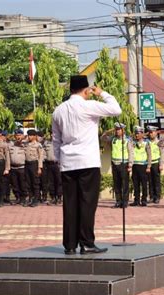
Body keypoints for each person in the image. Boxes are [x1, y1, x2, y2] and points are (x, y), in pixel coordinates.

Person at [52, 75, 121, 255]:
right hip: (87, 162)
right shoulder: (88, 106)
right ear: (85, 90)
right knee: (87, 203)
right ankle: (87, 243)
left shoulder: (58, 110)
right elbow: (116, 109)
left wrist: (61, 160)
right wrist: (102, 93)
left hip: (68, 162)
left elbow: (56, 140)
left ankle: (69, 245)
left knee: (70, 204)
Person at [101, 122, 133, 208]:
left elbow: (131, 152)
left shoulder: (127, 140)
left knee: (124, 184)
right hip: (114, 163)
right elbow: (103, 138)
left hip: (124, 163)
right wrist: (107, 132)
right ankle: (118, 201)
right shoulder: (113, 139)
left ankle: (125, 202)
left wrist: (130, 164)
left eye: (119, 130)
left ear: (123, 130)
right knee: (116, 184)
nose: (117, 131)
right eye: (116, 130)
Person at [131, 126, 151, 207]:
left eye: (138, 133)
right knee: (135, 184)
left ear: (142, 134)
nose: (136, 135)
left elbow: (149, 155)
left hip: (143, 165)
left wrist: (149, 166)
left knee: (144, 184)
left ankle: (144, 200)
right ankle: (136, 200)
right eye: (136, 133)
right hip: (135, 165)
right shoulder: (132, 142)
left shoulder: (146, 143)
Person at [8, 130, 28, 206]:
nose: (18, 137)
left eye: (19, 135)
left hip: (22, 167)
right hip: (13, 167)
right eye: (16, 135)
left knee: (23, 184)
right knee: (14, 184)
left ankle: (24, 198)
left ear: (22, 136)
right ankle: (18, 198)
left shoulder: (25, 144)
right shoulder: (11, 144)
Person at [24, 129, 44, 207]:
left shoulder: (38, 145)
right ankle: (31, 198)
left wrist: (39, 168)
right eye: (28, 135)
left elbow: (40, 157)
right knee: (28, 183)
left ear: (35, 136)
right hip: (27, 164)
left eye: (31, 135)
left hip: (34, 164)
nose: (29, 137)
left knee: (35, 183)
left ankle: (36, 199)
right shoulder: (26, 144)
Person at [43, 132, 63, 205]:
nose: (53, 135)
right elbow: (44, 153)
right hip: (49, 164)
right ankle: (53, 198)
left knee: (59, 181)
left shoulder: (61, 142)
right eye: (52, 133)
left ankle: (59, 197)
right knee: (51, 182)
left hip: (58, 165)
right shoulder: (46, 143)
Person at [146, 125, 163, 204]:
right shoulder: (147, 142)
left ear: (156, 133)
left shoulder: (159, 142)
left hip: (156, 163)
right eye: (149, 133)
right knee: (150, 181)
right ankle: (152, 197)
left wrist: (161, 164)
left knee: (156, 181)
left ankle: (157, 197)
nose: (150, 134)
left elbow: (162, 154)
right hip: (149, 164)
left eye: (152, 132)